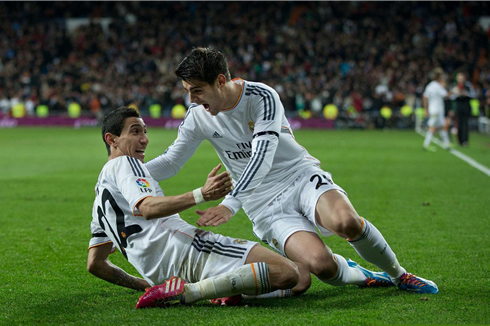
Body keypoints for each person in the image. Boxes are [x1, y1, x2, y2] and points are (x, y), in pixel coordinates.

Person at [146, 47, 439, 294]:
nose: (192, 100)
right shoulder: (199, 117)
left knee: (347, 222)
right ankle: (366, 274)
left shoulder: (261, 97)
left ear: (220, 81)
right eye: (188, 92)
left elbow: (262, 155)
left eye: (197, 91)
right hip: (262, 204)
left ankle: (400, 274)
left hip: (298, 176)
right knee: (322, 266)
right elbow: (172, 161)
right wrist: (129, 173)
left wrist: (230, 203)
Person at [87, 106, 313, 309]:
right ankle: (192, 292)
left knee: (302, 278)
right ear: (112, 139)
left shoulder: (99, 201)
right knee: (290, 274)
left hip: (162, 273)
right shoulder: (126, 163)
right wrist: (201, 194)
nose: (145, 139)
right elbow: (147, 208)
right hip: (187, 250)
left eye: (145, 131)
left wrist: (143, 284)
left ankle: (214, 290)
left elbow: (96, 264)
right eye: (135, 131)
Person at [422, 68, 452, 151]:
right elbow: (447, 95)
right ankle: (425, 145)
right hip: (437, 110)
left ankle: (446, 144)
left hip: (433, 109)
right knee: (432, 127)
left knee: (442, 126)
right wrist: (454, 91)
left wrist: (426, 109)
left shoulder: (430, 85)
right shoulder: (438, 86)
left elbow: (425, 97)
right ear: (439, 77)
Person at [451, 72, 477, 147]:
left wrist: (466, 94)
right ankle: (460, 141)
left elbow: (473, 94)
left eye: (461, 78)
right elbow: (451, 96)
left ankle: (465, 141)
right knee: (459, 124)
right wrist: (457, 94)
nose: (460, 79)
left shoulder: (468, 85)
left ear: (464, 78)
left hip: (466, 105)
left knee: (465, 124)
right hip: (459, 106)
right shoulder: (455, 85)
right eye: (459, 78)